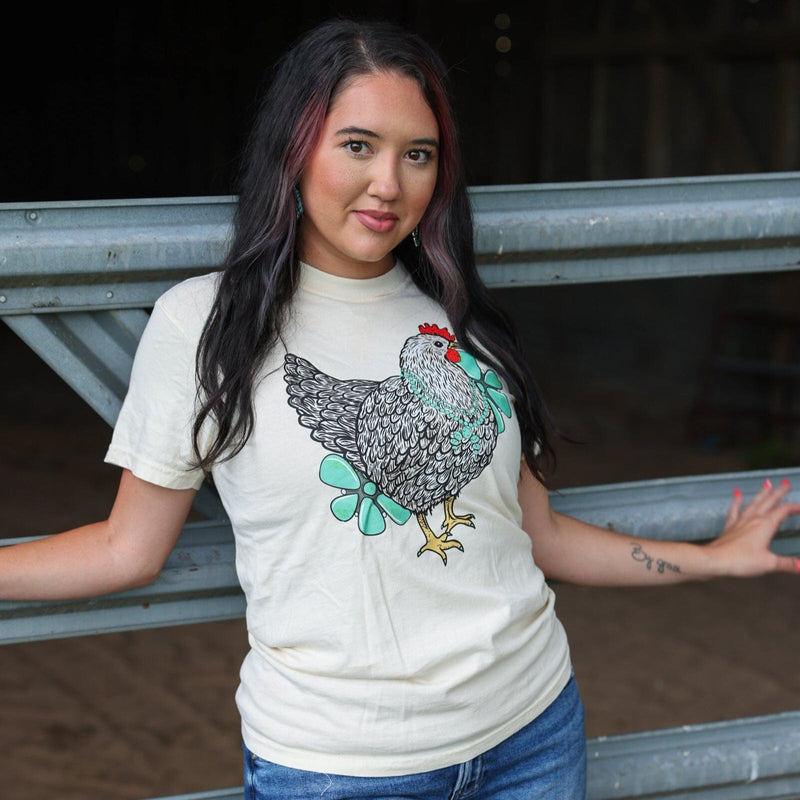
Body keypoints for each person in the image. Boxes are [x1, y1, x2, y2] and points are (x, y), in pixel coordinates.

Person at [3, 18, 799, 800]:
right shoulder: (204, 322)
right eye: (358, 145)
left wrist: (711, 557)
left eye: (417, 155)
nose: (390, 183)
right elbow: (124, 550)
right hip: (337, 765)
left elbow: (540, 535)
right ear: (294, 146)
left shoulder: (459, 318)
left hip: (532, 732)